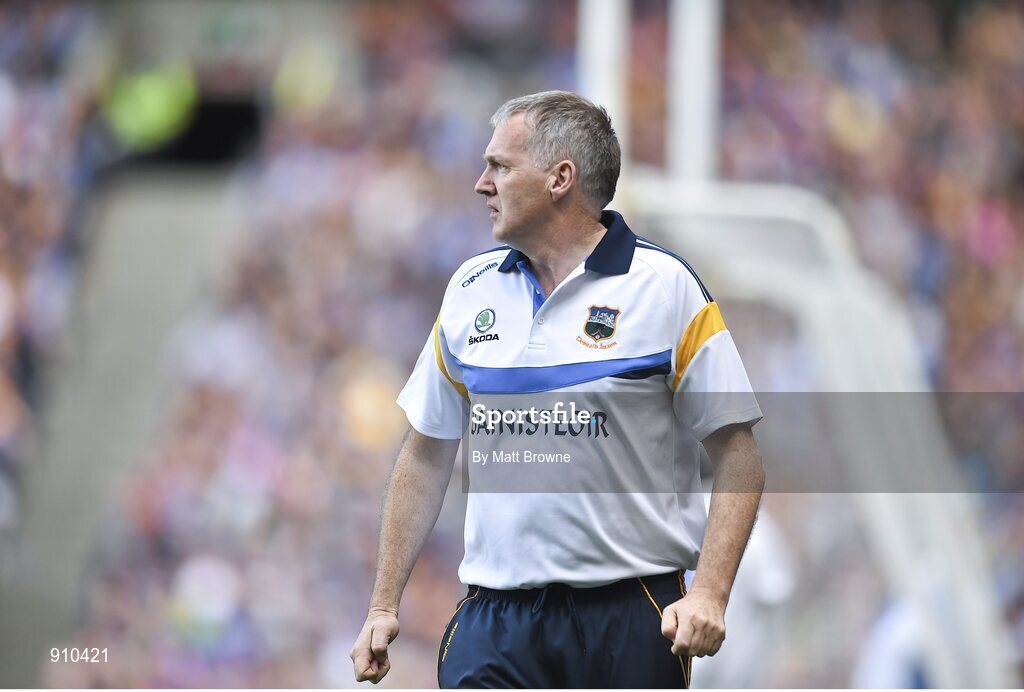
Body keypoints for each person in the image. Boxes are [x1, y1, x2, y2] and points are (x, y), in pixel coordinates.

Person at [350, 90, 765, 688]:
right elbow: (424, 452)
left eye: (500, 166)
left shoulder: (666, 288)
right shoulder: (470, 290)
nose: (480, 184)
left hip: (630, 616)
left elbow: (739, 459)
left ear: (559, 178)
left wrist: (709, 594)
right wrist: (384, 606)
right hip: (495, 621)